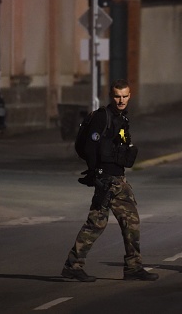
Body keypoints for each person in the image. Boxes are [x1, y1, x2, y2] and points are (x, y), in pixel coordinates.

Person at [62, 79, 159, 282]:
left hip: (116, 177)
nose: (121, 100)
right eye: (117, 96)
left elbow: (122, 144)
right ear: (111, 96)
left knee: (116, 222)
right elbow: (90, 147)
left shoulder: (121, 118)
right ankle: (76, 265)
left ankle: (130, 267)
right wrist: (97, 173)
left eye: (125, 96)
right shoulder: (102, 117)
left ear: (130, 96)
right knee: (111, 222)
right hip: (107, 179)